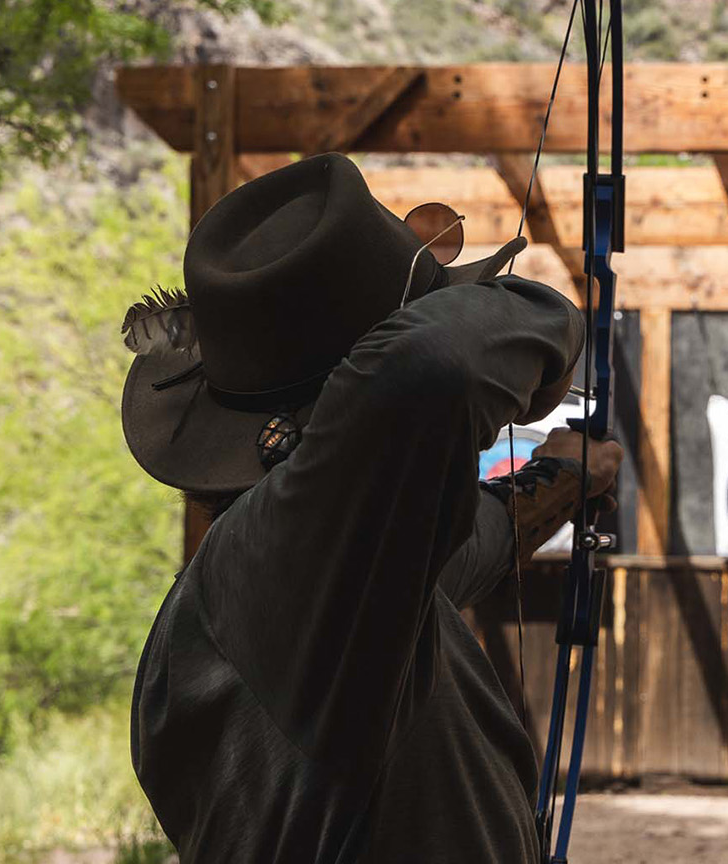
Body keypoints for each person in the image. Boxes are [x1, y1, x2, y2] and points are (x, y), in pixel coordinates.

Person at [118, 152, 623, 862]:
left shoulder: (323, 586)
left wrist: (562, 476)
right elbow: (429, 366)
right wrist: (551, 334)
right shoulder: (281, 572)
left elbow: (460, 547)